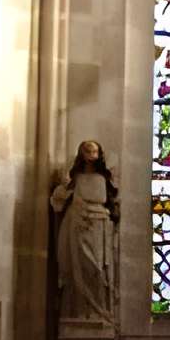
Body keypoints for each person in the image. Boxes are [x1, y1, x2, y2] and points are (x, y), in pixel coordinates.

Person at [51, 139, 118, 327]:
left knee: (96, 268)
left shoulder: (101, 179)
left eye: (94, 151)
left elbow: (102, 198)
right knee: (77, 267)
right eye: (87, 151)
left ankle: (98, 311)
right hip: (78, 225)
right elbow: (60, 199)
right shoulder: (76, 180)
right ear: (81, 154)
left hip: (97, 226)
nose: (91, 156)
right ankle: (80, 312)